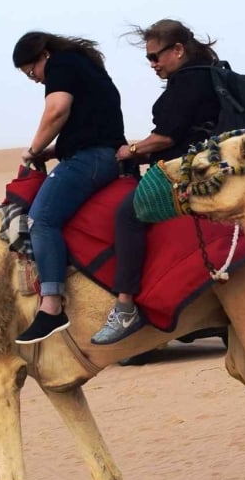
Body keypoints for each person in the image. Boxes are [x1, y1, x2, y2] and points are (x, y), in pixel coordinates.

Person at [90, 19, 222, 345]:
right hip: (207, 163)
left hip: (187, 172)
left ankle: (125, 306)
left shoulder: (188, 82)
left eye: (155, 56)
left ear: (178, 50)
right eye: (149, 59)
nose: (153, 64)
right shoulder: (209, 74)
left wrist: (130, 150)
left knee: (128, 213)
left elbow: (165, 138)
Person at [11, 32, 127, 344]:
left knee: (40, 220)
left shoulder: (61, 64)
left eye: (31, 71)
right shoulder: (82, 66)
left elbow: (57, 110)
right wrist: (56, 151)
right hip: (101, 155)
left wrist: (34, 150)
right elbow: (88, 121)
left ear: (43, 55)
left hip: (91, 159)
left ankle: (51, 307)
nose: (34, 79)